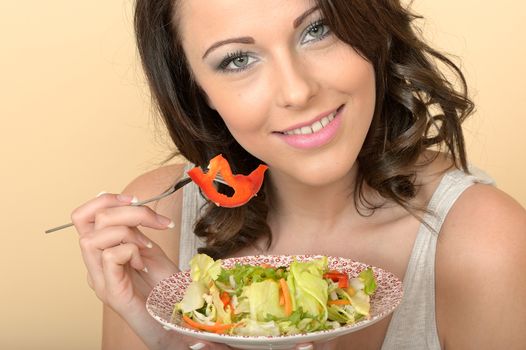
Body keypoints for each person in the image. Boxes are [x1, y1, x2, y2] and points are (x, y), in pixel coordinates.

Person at [71, 0, 526, 349]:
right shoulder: (159, 226)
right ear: (197, 89)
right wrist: (175, 338)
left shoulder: (484, 243)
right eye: (237, 60)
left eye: (317, 29)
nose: (297, 91)